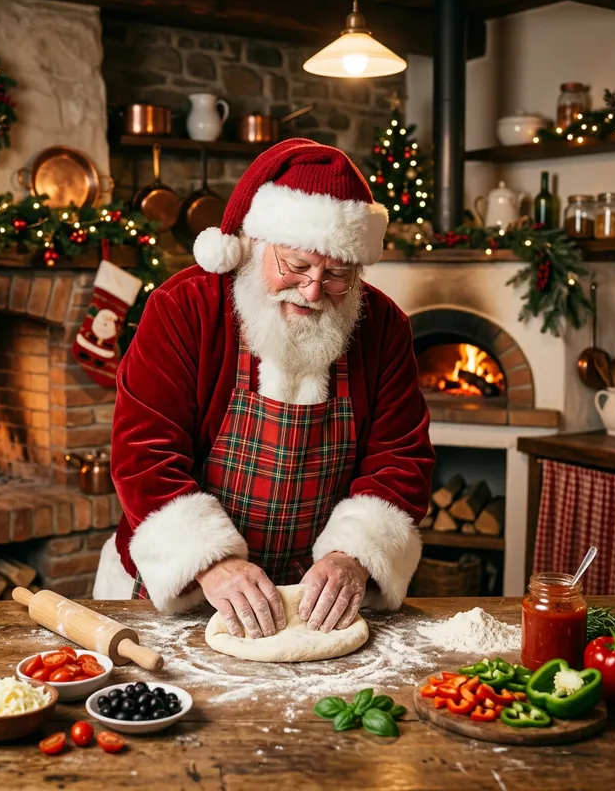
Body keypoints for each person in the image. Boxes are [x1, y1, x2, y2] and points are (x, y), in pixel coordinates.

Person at [93, 138, 435, 638]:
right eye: (296, 265)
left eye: (337, 274)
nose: (313, 290)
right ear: (255, 243)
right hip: (188, 591)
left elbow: (400, 458)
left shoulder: (382, 326)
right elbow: (144, 453)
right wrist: (210, 562)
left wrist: (354, 554)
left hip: (314, 604)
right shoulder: (184, 308)